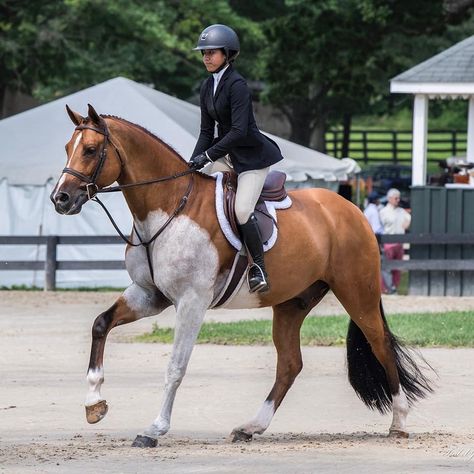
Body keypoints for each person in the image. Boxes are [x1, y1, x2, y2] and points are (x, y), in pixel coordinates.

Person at [189, 24, 284, 293]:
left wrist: (208, 156)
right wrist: (192, 162)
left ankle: (259, 269)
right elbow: (207, 132)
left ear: (228, 54)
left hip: (252, 158)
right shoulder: (207, 86)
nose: (206, 57)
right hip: (227, 155)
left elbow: (239, 131)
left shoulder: (238, 85)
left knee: (242, 210)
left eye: (212, 52)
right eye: (203, 53)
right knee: (194, 188)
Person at [379, 188, 411, 294]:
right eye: (396, 198)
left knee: (397, 268)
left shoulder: (401, 211)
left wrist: (407, 223)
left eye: (398, 198)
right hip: (388, 243)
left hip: (399, 242)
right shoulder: (383, 212)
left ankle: (394, 288)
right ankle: (388, 287)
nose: (398, 200)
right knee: (387, 267)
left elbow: (408, 218)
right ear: (389, 198)